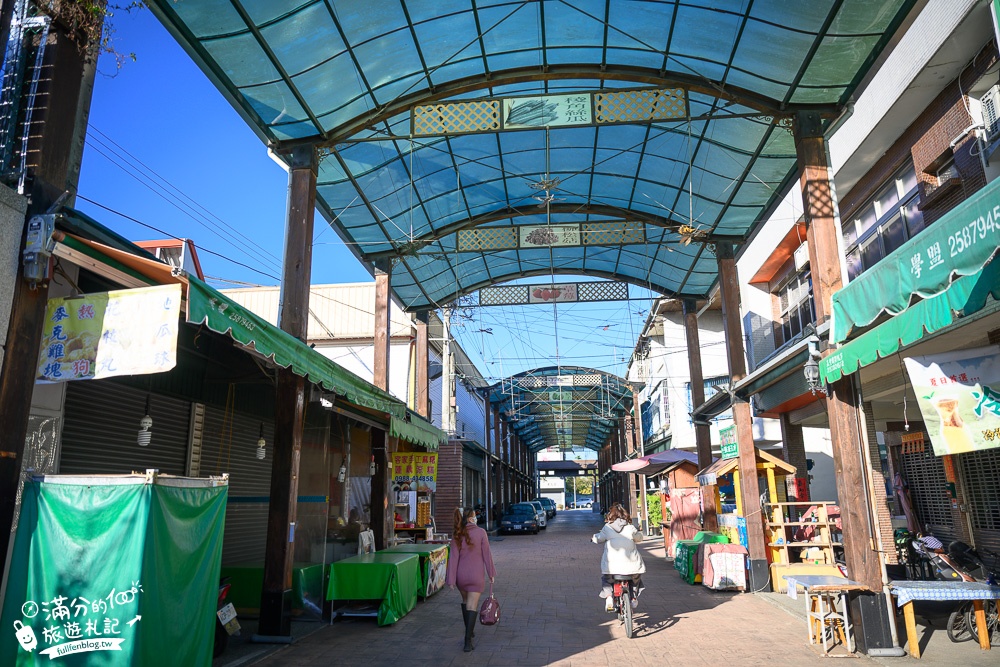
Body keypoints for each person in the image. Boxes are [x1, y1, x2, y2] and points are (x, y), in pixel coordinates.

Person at [446, 507, 496, 652]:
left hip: (461, 576)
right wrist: (491, 573)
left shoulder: (457, 534)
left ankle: (469, 630)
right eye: (474, 516)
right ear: (470, 518)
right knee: (472, 606)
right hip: (476, 576)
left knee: (465, 602)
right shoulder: (481, 533)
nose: (476, 518)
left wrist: (451, 580)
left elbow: (453, 559)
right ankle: (467, 641)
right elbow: (487, 555)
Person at [592, 502, 645, 612]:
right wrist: (639, 535)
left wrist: (593, 538)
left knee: (607, 580)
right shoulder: (630, 528)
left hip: (612, 567)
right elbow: (639, 538)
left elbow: (598, 538)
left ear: (610, 516)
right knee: (635, 579)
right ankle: (633, 598)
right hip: (632, 566)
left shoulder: (607, 528)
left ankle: (609, 597)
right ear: (625, 516)